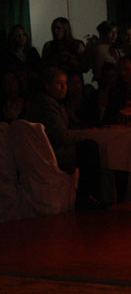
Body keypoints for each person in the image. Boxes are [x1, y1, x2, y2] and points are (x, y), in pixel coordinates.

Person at [25, 66, 103, 209]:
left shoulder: (49, 103)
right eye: (58, 83)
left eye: (65, 83)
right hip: (52, 152)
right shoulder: (47, 105)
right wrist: (84, 135)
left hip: (44, 150)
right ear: (47, 85)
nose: (63, 88)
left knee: (88, 146)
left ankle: (87, 196)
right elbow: (61, 136)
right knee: (89, 148)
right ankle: (87, 196)